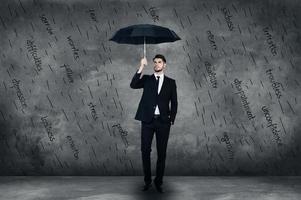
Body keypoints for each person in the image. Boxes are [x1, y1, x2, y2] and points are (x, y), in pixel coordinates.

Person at [130, 54, 178, 193]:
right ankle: (147, 181)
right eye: (155, 62)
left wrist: (171, 119)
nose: (157, 64)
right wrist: (141, 66)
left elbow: (174, 102)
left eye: (159, 62)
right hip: (147, 121)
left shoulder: (171, 82)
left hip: (163, 122)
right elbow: (133, 85)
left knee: (162, 153)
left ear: (164, 65)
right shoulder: (146, 79)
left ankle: (158, 182)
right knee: (145, 151)